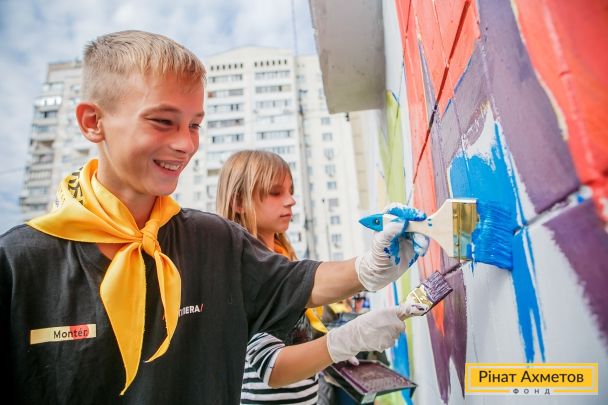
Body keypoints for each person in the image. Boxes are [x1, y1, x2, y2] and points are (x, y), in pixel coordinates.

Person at [0, 30, 428, 404]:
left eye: (195, 125)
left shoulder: (214, 239)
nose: (186, 144)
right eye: (163, 121)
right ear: (94, 121)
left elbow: (297, 283)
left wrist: (372, 265)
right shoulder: (19, 263)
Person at [216, 150, 430, 404]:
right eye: (275, 192)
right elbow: (272, 368)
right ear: (239, 201)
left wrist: (326, 357)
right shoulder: (242, 272)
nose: (291, 200)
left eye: (290, 190)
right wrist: (347, 339)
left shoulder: (283, 260)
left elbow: (290, 340)